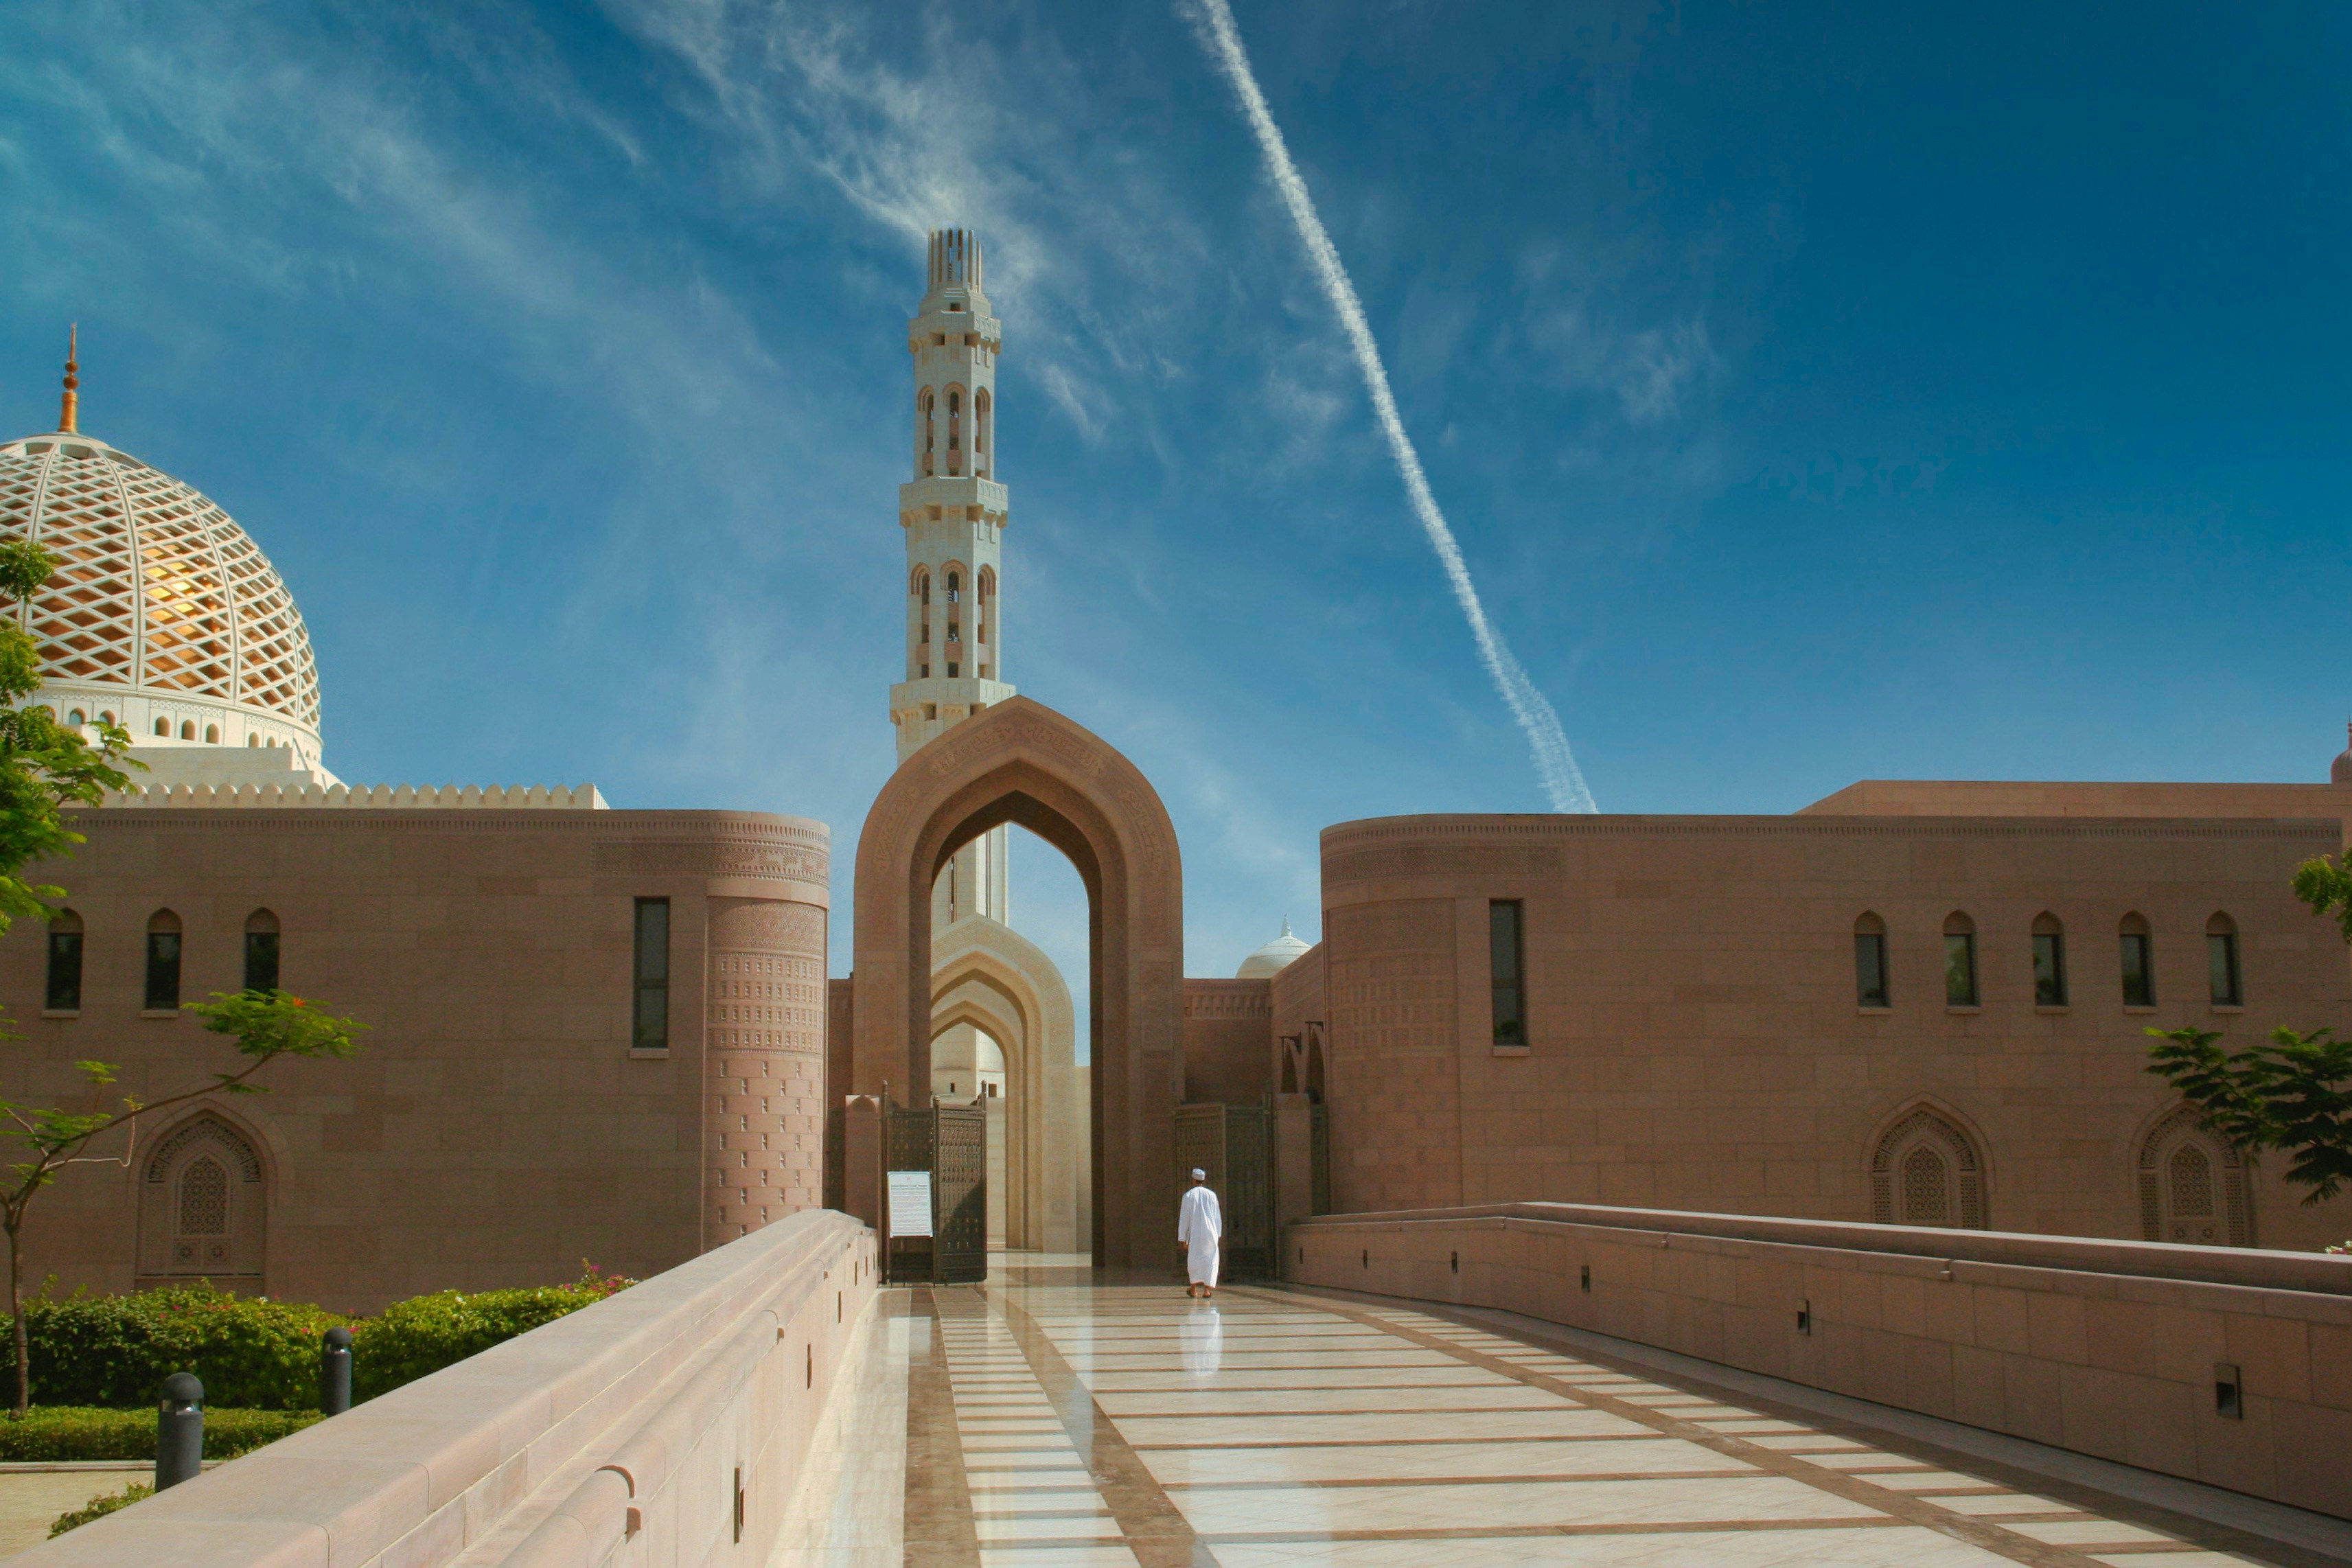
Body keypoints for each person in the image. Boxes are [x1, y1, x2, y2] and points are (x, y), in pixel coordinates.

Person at [1177, 1167, 1222, 1298]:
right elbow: (1217, 1217)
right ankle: (1207, 1290)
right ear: (1204, 1180)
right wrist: (1218, 1234)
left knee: (1193, 1259)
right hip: (1211, 1233)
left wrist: (1183, 1238)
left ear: (1193, 1180)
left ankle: (1194, 1289)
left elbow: (1184, 1218)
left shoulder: (1188, 1196)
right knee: (1210, 1259)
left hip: (1195, 1233)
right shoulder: (1212, 1195)